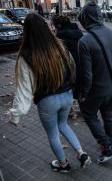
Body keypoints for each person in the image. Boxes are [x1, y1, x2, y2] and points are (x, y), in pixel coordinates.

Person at [8, 13, 91, 173]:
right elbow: (72, 67)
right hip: (66, 96)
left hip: (47, 101)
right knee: (64, 125)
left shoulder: (27, 55)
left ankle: (63, 165)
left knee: (53, 134)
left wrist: (15, 115)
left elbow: (24, 89)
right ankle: (81, 153)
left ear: (27, 31)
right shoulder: (60, 45)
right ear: (46, 27)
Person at [77, 1, 112, 163]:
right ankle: (110, 141)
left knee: (89, 113)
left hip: (98, 88)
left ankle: (108, 147)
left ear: (86, 18)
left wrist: (83, 94)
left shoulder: (85, 41)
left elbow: (86, 75)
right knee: (108, 115)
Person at [51, 15, 83, 99]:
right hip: (83, 69)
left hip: (71, 73)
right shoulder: (78, 33)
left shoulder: (61, 38)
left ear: (58, 26)